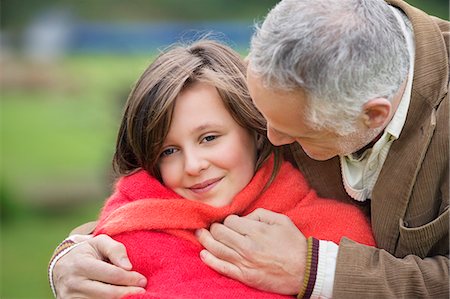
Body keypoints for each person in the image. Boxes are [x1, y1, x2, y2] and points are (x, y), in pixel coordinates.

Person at [50, 0, 449, 297]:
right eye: (260, 116)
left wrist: (314, 269)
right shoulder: (283, 77)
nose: (269, 138)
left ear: (373, 115)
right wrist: (69, 255)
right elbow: (152, 210)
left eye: (297, 132)